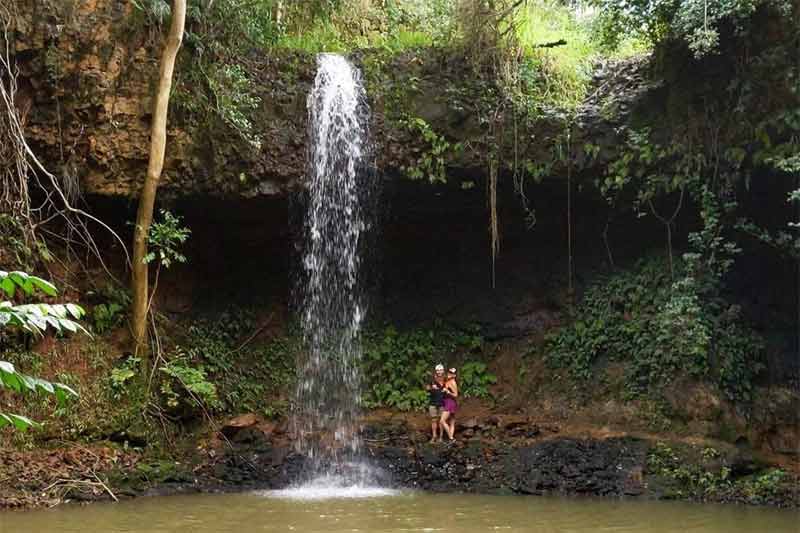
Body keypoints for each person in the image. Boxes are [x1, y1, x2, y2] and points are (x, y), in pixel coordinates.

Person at [425, 363, 446, 443]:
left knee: (441, 420)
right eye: (438, 370)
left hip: (442, 402)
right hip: (433, 402)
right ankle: (434, 436)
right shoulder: (432, 379)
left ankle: (441, 437)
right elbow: (427, 388)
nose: (439, 372)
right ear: (436, 371)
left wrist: (446, 390)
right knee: (434, 420)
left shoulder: (446, 379)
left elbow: (451, 389)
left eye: (441, 370)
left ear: (443, 371)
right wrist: (431, 387)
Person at [440, 367, 458, 441]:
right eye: (449, 372)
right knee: (452, 422)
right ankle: (451, 439)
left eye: (452, 373)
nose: (450, 374)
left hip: (450, 402)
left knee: (442, 421)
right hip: (450, 402)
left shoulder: (452, 382)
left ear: (455, 375)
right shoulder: (448, 381)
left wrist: (448, 392)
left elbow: (456, 394)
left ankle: (451, 438)